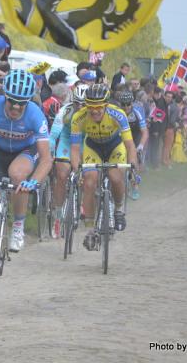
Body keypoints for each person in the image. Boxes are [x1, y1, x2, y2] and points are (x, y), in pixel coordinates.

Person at [0, 69, 52, 257]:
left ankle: (18, 227)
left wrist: (33, 181)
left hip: (25, 152)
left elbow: (46, 159)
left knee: (18, 175)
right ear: (5, 96)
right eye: (12, 102)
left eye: (22, 103)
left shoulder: (35, 115)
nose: (16, 107)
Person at [70, 84, 137, 251]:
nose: (94, 112)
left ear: (106, 105)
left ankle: (118, 209)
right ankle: (90, 229)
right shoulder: (78, 117)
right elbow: (75, 149)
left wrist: (133, 164)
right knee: (89, 182)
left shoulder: (118, 114)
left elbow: (129, 145)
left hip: (115, 147)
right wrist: (76, 167)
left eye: (99, 107)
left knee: (115, 177)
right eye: (91, 107)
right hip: (93, 148)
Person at [49, 83, 87, 237]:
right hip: (67, 141)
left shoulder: (95, 112)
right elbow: (53, 135)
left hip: (85, 142)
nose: (80, 106)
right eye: (77, 102)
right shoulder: (66, 111)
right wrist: (50, 153)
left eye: (83, 103)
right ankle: (57, 216)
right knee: (62, 175)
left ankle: (84, 202)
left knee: (89, 172)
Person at [117, 90, 148, 200]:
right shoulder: (116, 112)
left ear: (132, 103)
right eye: (123, 105)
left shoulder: (137, 111)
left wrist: (140, 146)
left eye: (128, 104)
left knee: (133, 164)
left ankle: (135, 187)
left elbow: (144, 132)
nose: (126, 107)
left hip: (135, 138)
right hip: (120, 139)